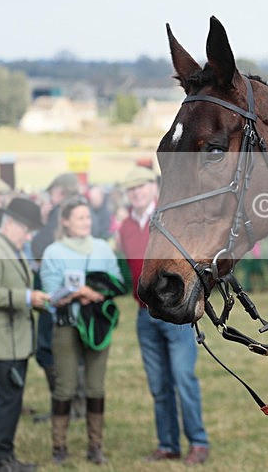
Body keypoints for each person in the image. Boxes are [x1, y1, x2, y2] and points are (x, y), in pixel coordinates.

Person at [115, 166, 210, 466]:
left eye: (141, 186)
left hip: (174, 314)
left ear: (152, 187)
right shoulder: (124, 227)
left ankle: (197, 442)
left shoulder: (169, 219)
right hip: (144, 315)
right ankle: (168, 444)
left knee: (183, 378)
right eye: (131, 189)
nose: (136, 193)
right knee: (158, 384)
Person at [40, 196, 121, 465]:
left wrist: (94, 292)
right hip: (67, 326)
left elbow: (116, 283)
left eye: (88, 217)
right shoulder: (53, 252)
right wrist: (72, 295)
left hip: (97, 326)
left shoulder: (102, 249)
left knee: (95, 387)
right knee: (65, 386)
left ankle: (95, 446)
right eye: (79, 218)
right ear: (65, 222)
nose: (86, 222)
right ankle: (58, 447)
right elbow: (50, 294)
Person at [0, 198, 49, 472]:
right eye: (27, 229)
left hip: (14, 342)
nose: (29, 236)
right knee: (8, 403)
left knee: (8, 402)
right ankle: (3, 459)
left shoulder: (12, 249)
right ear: (13, 224)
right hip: (4, 345)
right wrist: (26, 298)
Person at [31, 173, 82, 420]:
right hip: (72, 288)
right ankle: (75, 406)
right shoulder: (79, 212)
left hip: (55, 289)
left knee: (47, 348)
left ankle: (65, 407)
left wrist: (43, 221)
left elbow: (39, 245)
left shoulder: (59, 214)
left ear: (59, 192)